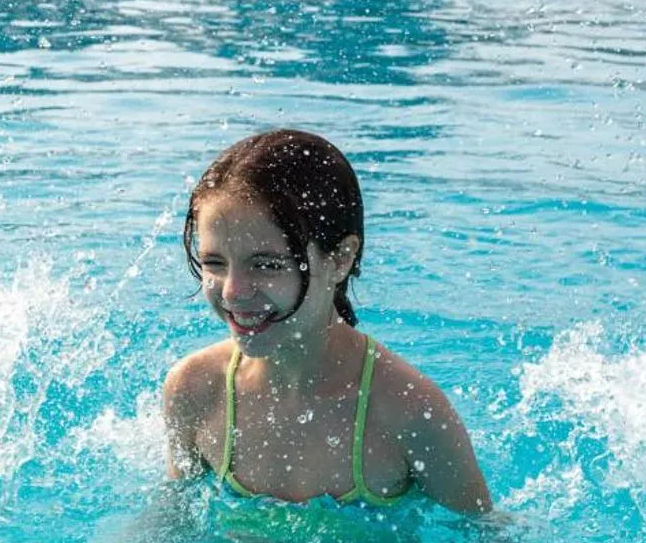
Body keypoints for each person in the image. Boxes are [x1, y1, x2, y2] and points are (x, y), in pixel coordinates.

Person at [161, 130, 493, 515]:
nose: (233, 292)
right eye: (214, 263)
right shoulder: (196, 390)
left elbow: (486, 541)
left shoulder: (407, 412)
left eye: (266, 265)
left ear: (339, 259)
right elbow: (175, 522)